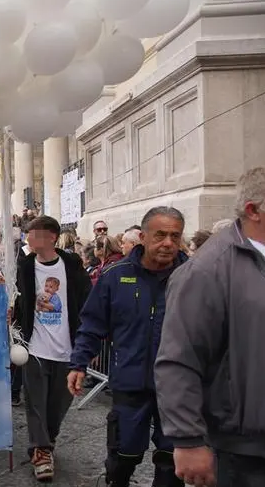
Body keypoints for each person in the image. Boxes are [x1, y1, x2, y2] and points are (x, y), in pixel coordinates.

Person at [155, 163, 265, 487]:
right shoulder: (208, 269)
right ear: (254, 210)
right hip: (248, 453)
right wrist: (187, 439)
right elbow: (179, 359)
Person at [68, 207, 188, 487]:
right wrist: (79, 363)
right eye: (160, 235)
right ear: (143, 237)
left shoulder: (195, 276)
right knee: (124, 456)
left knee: (172, 462)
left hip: (179, 389)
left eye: (175, 235)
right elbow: (93, 323)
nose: (168, 242)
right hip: (129, 383)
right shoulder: (115, 276)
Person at [14, 216, 91, 482]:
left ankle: (48, 440)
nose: (28, 239)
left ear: (51, 237)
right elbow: (19, 299)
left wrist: (87, 340)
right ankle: (41, 450)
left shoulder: (72, 265)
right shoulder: (24, 265)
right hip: (34, 346)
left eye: (32, 234)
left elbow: (86, 302)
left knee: (59, 403)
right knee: (35, 402)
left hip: (68, 347)